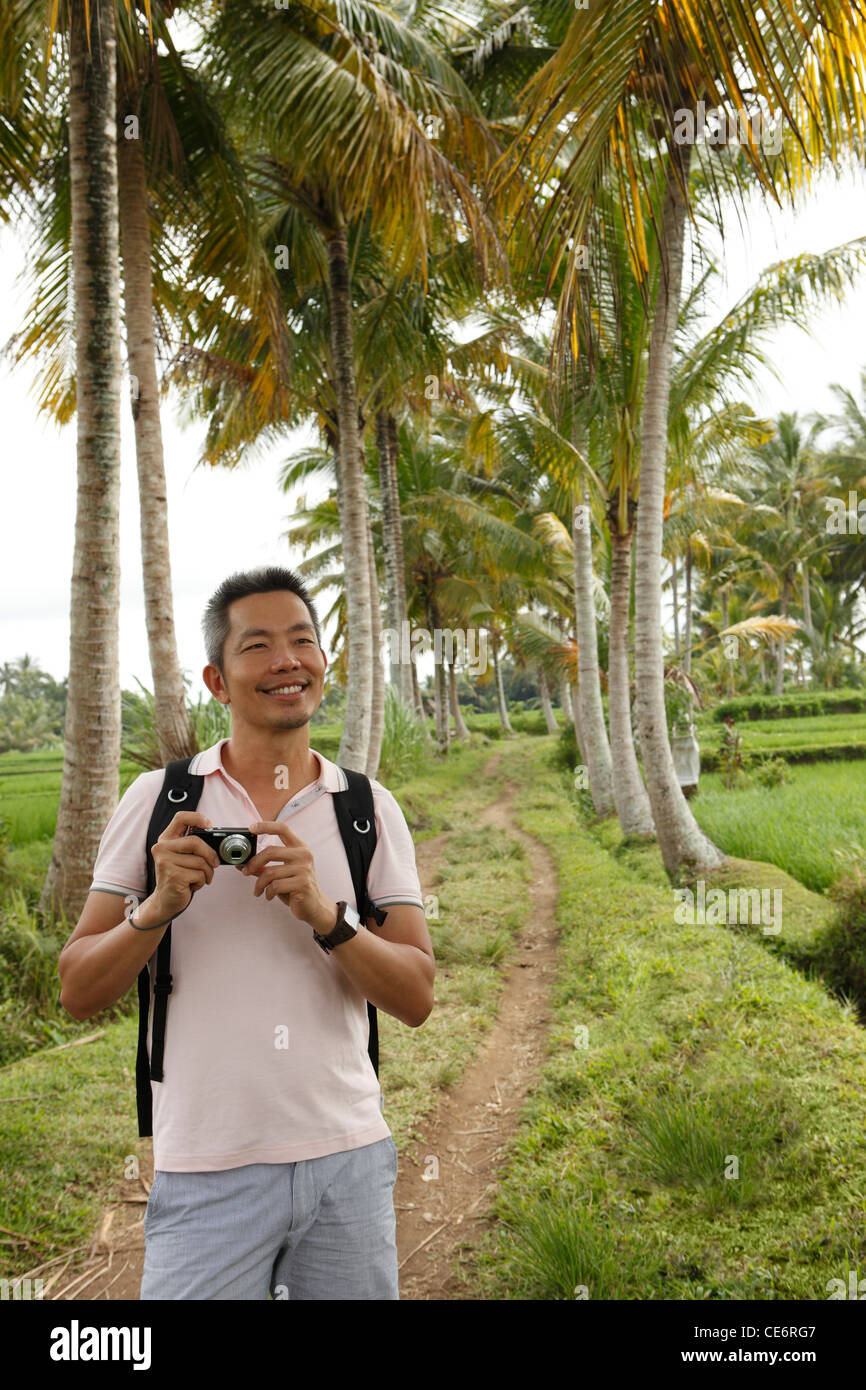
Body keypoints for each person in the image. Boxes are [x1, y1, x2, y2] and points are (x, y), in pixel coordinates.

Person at [58, 567, 435, 1300]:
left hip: (348, 1163)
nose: (287, 661)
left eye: (303, 641)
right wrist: (156, 907)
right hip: (204, 1170)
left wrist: (328, 917)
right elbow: (78, 989)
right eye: (257, 646)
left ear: (324, 664)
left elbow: (417, 997)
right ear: (217, 680)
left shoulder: (366, 807)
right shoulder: (162, 800)